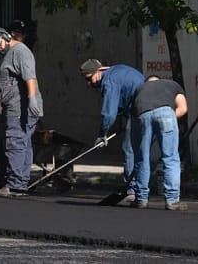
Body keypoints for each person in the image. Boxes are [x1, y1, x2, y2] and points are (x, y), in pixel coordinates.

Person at [0, 21, 44, 197]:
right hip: (12, 107)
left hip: (19, 108)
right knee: (22, 143)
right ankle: (20, 183)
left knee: (15, 142)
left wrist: (32, 99)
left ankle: (15, 184)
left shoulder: (20, 51)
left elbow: (30, 77)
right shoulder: (9, 54)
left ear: (5, 37)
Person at [79, 59, 145, 199]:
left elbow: (108, 113)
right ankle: (141, 189)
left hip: (139, 111)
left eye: (90, 79)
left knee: (129, 149)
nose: (90, 83)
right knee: (140, 150)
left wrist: (102, 134)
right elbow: (124, 98)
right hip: (144, 107)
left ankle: (132, 189)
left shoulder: (109, 81)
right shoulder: (117, 69)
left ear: (98, 71)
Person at [130, 76, 188, 210]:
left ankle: (141, 199)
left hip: (142, 115)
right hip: (166, 114)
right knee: (171, 158)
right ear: (159, 80)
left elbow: (134, 117)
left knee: (142, 158)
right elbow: (183, 108)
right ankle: (172, 201)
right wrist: (166, 121)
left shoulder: (140, 88)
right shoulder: (172, 84)